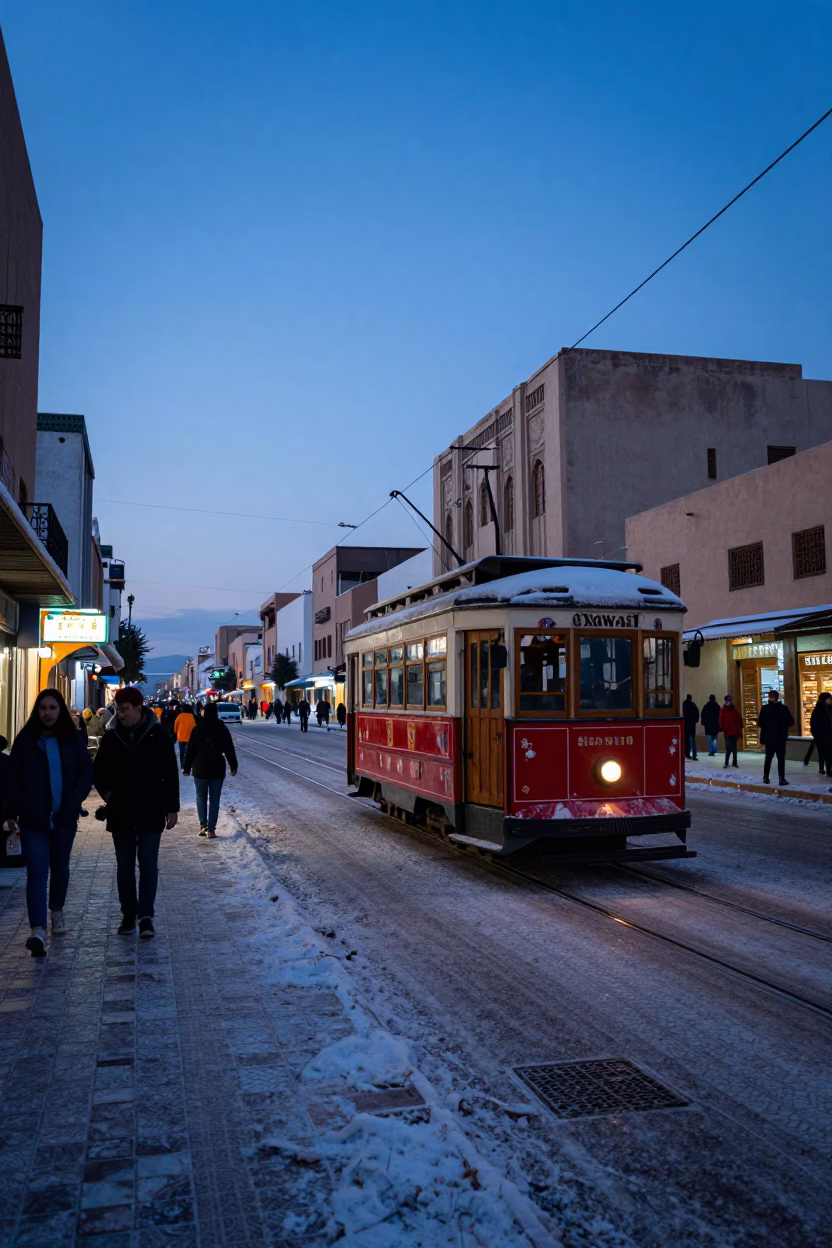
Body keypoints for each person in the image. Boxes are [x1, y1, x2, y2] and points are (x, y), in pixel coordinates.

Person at [6, 689, 93, 956]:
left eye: (53, 708)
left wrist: (74, 801)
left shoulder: (71, 740)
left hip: (64, 819)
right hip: (34, 820)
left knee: (60, 868)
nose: (47, 713)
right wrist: (14, 811)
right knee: (36, 872)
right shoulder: (26, 741)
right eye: (43, 707)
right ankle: (38, 929)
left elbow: (85, 772)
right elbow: (13, 779)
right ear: (37, 710)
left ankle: (56, 910)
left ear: (60, 710)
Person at [93, 685, 180, 939]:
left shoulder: (158, 735)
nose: (119, 714)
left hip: (151, 811)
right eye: (118, 709)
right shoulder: (111, 738)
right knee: (124, 867)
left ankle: (146, 916)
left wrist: (171, 808)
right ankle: (128, 915)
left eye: (124, 710)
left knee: (149, 865)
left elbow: (169, 774)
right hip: (120, 813)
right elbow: (99, 772)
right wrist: (108, 795)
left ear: (138, 708)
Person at [184, 701, 238, 838]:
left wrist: (186, 766)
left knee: (201, 797)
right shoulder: (222, 728)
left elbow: (190, 749)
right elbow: (229, 748)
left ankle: (203, 825)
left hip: (200, 766)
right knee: (215, 799)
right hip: (217, 767)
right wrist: (233, 766)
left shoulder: (197, 729)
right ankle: (212, 830)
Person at [757, 688, 794, 786]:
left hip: (769, 738)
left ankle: (766, 777)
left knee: (768, 758)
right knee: (781, 759)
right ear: (777, 698)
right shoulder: (783, 708)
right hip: (780, 738)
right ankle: (781, 778)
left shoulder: (765, 709)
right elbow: (791, 721)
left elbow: (760, 723)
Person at [807, 692, 832, 776]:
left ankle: (827, 769)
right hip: (822, 736)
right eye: (829, 698)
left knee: (828, 753)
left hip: (828, 735)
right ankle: (824, 769)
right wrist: (817, 735)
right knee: (823, 753)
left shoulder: (829, 708)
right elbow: (814, 724)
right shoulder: (819, 710)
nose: (830, 700)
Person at [173, 703, 197, 769]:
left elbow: (176, 725)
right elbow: (194, 726)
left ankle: (182, 765)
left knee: (182, 752)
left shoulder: (180, 716)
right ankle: (189, 765)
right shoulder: (192, 716)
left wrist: (175, 732)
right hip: (189, 737)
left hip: (181, 737)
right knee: (189, 752)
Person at [682, 694, 700, 760]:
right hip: (692, 725)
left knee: (687, 740)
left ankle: (687, 754)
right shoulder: (693, 705)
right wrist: (695, 720)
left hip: (686, 724)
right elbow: (697, 713)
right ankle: (694, 755)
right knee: (693, 740)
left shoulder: (684, 704)